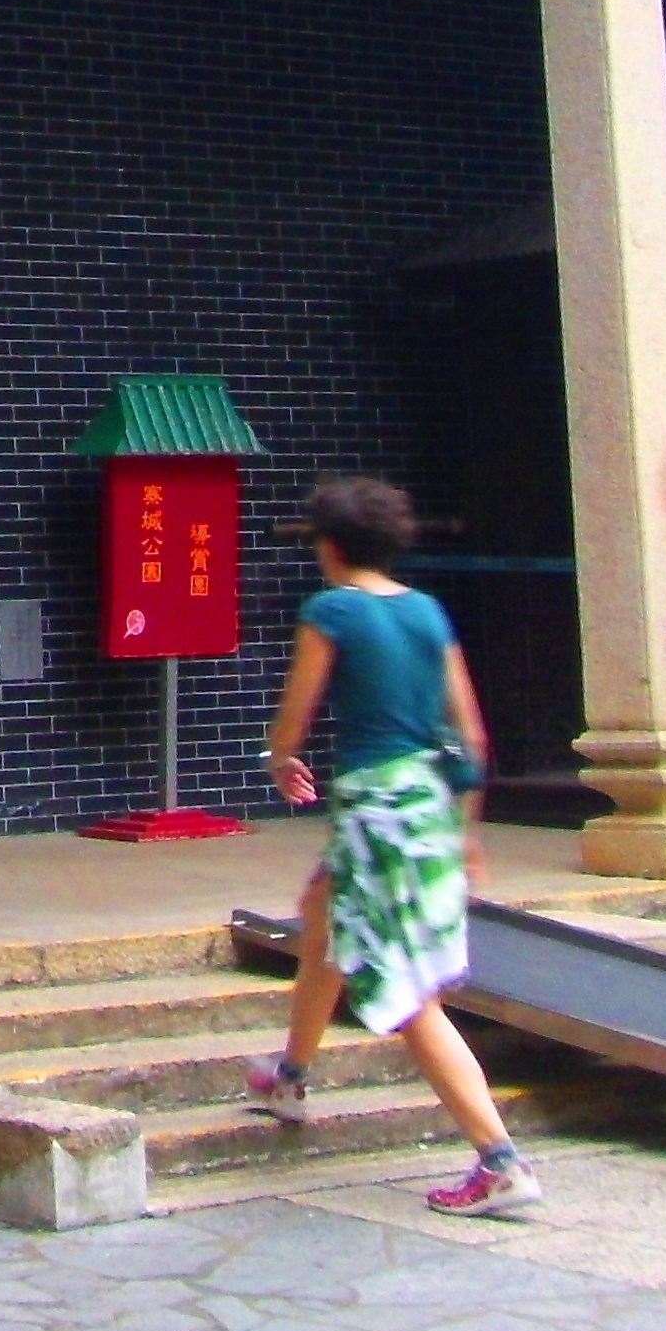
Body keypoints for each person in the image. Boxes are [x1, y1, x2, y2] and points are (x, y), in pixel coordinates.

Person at [244, 476, 541, 1217]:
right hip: (427, 804)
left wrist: (281, 760)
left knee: (411, 995)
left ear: (331, 545)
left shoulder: (332, 609)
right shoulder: (427, 612)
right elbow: (471, 737)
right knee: (320, 913)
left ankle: (498, 1158)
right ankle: (291, 1075)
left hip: (374, 811)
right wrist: (467, 833)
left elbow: (296, 713)